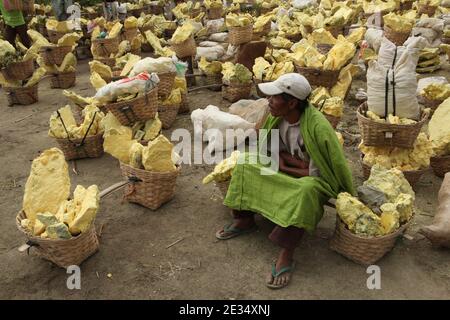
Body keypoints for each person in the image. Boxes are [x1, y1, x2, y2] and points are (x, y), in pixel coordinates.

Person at [216, 73, 356, 289]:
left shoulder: (317, 128)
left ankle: (287, 253)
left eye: (274, 97)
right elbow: (271, 152)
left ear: (292, 103)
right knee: (245, 164)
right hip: (290, 169)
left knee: (306, 190)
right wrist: (289, 164)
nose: (269, 101)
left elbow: (315, 174)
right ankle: (245, 219)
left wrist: (286, 165)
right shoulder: (276, 116)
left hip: (311, 180)